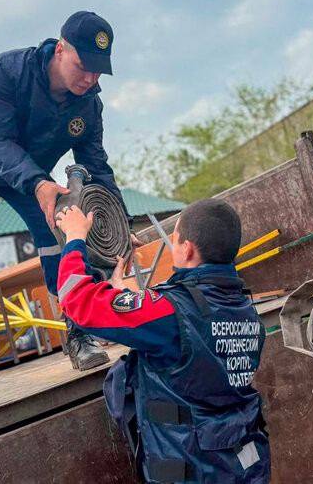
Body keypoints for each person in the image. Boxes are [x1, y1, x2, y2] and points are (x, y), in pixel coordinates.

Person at [0, 11, 139, 390]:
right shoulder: (6, 72)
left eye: (98, 71)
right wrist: (39, 182)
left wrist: (121, 223)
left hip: (31, 178)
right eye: (83, 66)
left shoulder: (88, 104)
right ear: (60, 50)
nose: (90, 78)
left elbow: (96, 166)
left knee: (62, 235)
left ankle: (78, 335)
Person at [54, 199, 271, 484]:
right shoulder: (244, 308)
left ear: (187, 248)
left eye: (175, 238)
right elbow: (190, 329)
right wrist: (122, 294)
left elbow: (77, 300)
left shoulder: (168, 312)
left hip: (192, 472)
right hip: (243, 467)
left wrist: (74, 238)